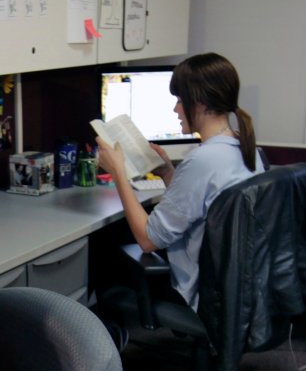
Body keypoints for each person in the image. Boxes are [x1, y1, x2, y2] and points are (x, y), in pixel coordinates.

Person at [95, 52, 266, 310]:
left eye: (179, 100)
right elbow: (206, 205)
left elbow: (148, 239)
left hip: (203, 294)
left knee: (107, 263)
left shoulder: (202, 160)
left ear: (198, 104)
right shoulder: (246, 147)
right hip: (239, 288)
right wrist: (167, 173)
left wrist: (118, 172)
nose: (175, 109)